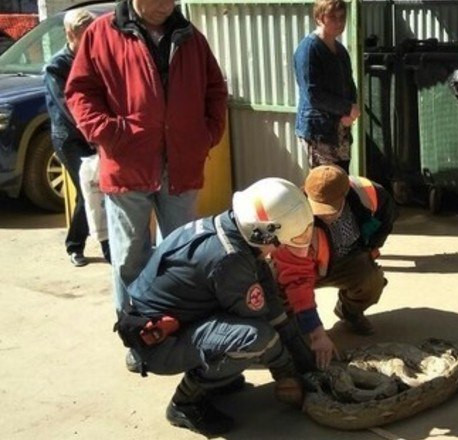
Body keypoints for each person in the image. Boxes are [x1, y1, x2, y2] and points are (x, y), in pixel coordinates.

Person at [116, 178, 317, 436]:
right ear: (265, 232)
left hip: (176, 322)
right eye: (282, 240)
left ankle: (219, 380)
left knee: (258, 330)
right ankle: (185, 403)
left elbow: (273, 306)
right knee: (257, 338)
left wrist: (305, 361)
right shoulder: (231, 258)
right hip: (159, 343)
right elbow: (265, 328)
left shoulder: (232, 230)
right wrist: (290, 374)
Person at [65, 0, 228, 312]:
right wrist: (109, 133)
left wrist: (206, 135)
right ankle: (136, 330)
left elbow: (215, 90)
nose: (166, 5)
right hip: (127, 164)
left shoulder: (190, 36)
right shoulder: (102, 33)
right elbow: (80, 92)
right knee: (130, 257)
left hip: (182, 165)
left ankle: (177, 324)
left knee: (183, 253)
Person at [273, 165, 396, 364]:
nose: (323, 215)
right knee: (278, 287)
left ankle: (349, 312)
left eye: (329, 209)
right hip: (304, 266)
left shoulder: (371, 194)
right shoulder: (292, 213)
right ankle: (289, 326)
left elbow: (386, 219)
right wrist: (316, 332)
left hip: (344, 260)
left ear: (345, 193)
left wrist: (371, 248)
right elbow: (296, 279)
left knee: (371, 279)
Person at [43, 9, 110, 267]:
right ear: (70, 34)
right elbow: (69, 108)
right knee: (89, 190)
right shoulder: (56, 66)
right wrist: (95, 133)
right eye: (86, 36)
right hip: (71, 138)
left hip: (96, 134)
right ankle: (76, 245)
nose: (93, 40)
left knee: (107, 188)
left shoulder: (97, 57)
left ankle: (108, 243)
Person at [293, 0, 360, 172]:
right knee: (325, 184)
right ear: (319, 18)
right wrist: (345, 108)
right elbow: (313, 94)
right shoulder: (309, 49)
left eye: (342, 17)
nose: (339, 22)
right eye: (333, 17)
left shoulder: (340, 50)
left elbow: (349, 84)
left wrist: (350, 111)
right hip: (319, 130)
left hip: (340, 128)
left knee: (342, 181)